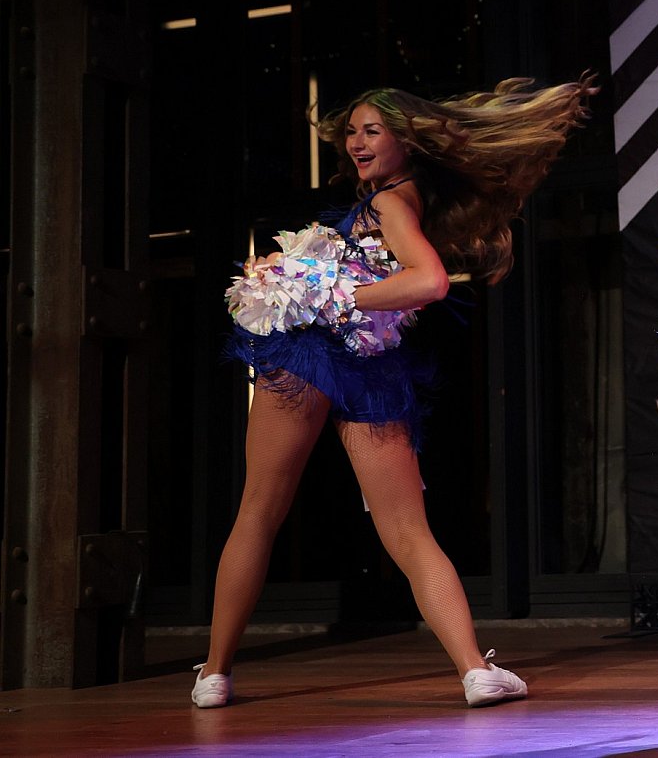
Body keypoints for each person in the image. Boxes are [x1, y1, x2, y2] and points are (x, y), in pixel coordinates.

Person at [193, 75, 597, 709]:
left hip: (310, 356)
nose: (357, 142)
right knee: (408, 532)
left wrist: (325, 292)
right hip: (371, 367)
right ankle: (474, 671)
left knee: (259, 513)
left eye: (373, 131)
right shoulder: (399, 198)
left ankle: (215, 674)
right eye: (352, 132)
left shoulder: (390, 202)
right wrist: (299, 275)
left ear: (407, 140)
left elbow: (430, 282)